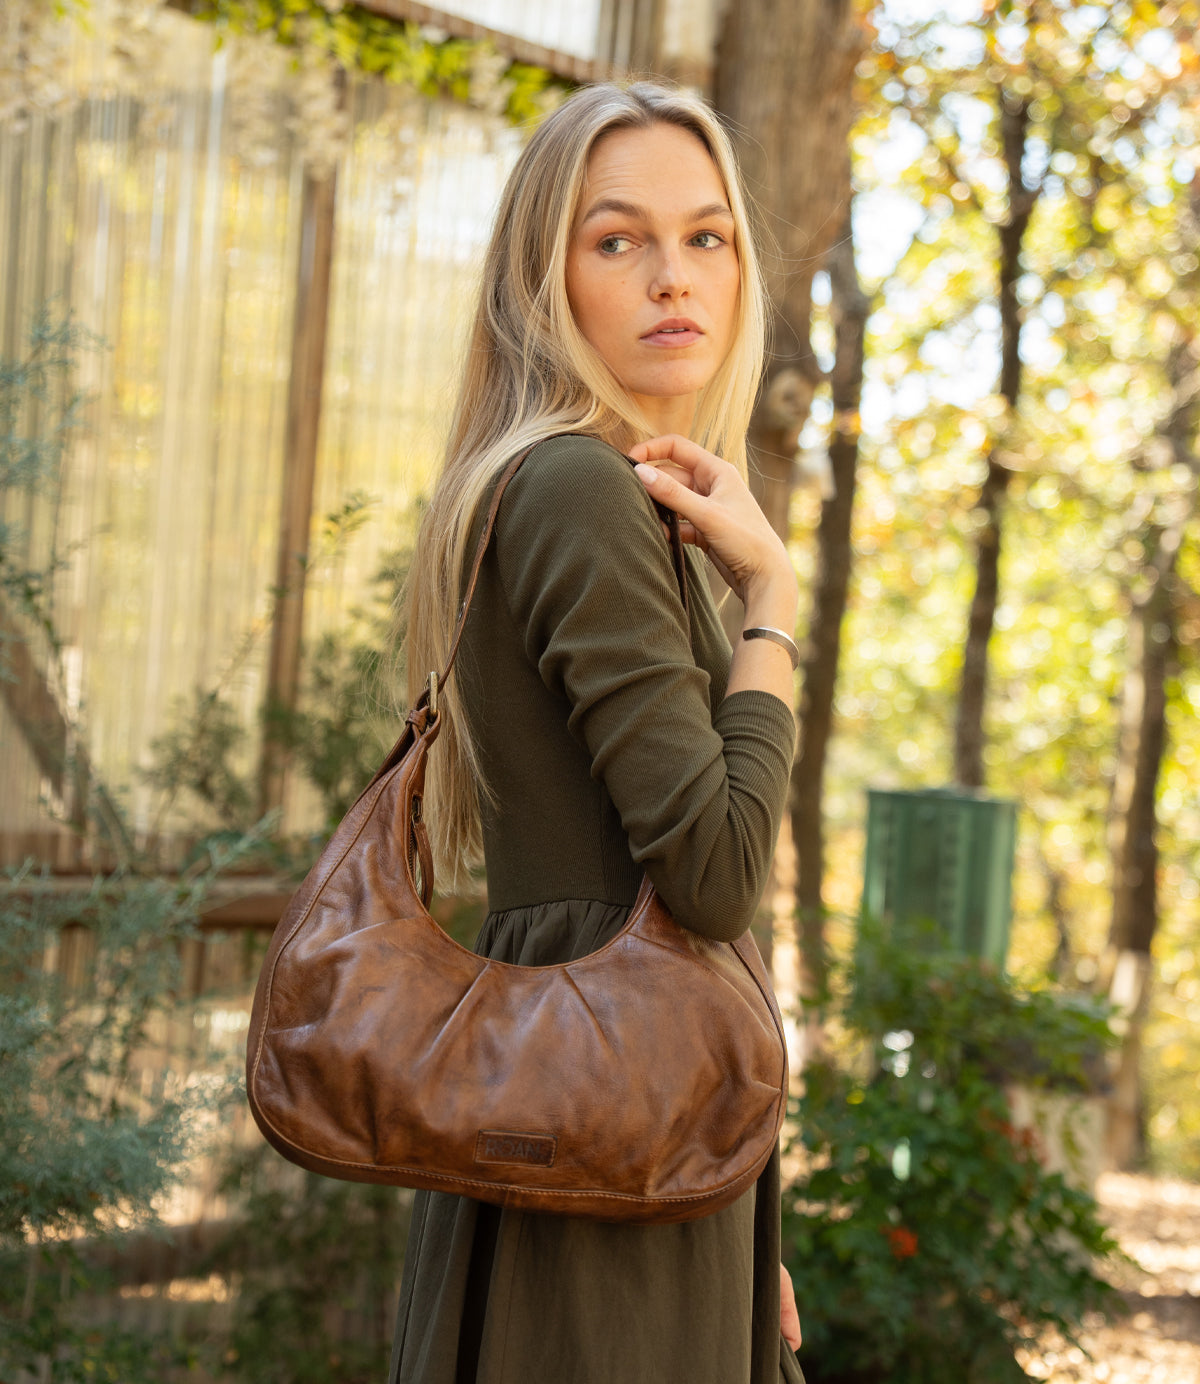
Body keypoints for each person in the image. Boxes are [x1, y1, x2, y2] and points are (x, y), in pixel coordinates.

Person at [391, 80, 805, 1384]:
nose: (672, 276)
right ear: (545, 278)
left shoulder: (619, 499)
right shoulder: (576, 486)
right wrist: (776, 601)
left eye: (706, 237)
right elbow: (715, 872)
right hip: (599, 1123)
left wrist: (740, 1192)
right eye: (617, 239)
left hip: (629, 1119)